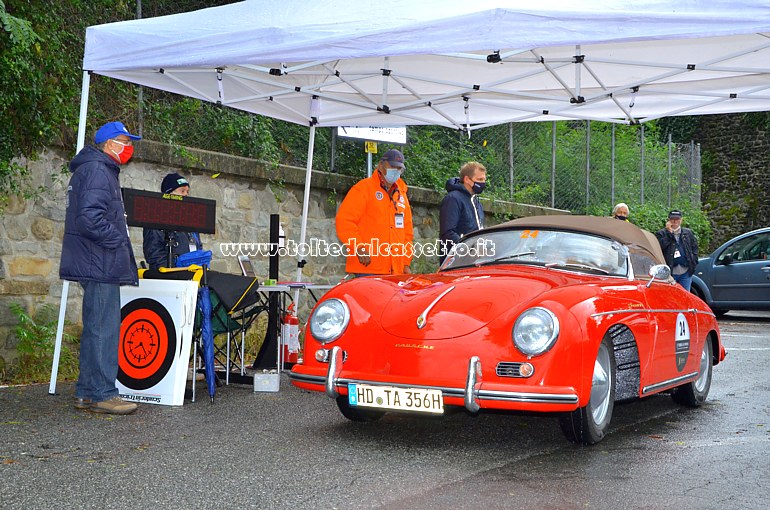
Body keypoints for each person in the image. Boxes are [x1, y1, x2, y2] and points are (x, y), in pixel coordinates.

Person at [59, 121, 140, 415]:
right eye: (123, 140)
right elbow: (89, 218)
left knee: (97, 327)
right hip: (100, 260)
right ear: (108, 143)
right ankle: (103, 393)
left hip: (95, 259)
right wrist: (117, 239)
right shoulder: (97, 170)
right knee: (105, 329)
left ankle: (87, 392)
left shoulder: (95, 168)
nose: (128, 146)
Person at [336, 149, 413, 276]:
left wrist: (405, 263)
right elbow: (345, 221)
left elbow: (407, 233)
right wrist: (359, 247)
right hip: (368, 268)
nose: (396, 171)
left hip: (396, 270)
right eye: (392, 166)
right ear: (381, 165)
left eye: (399, 168)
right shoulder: (363, 189)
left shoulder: (402, 195)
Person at [142, 173, 203, 269]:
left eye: (187, 192)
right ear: (169, 194)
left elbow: (198, 247)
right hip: (169, 278)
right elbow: (154, 253)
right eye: (182, 191)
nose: (186, 195)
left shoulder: (190, 220)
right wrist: (174, 271)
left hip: (192, 276)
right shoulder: (155, 219)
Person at [439, 161, 486, 263]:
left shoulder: (476, 201)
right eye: (479, 179)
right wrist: (469, 249)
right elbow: (448, 232)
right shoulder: (453, 199)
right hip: (457, 261)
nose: (483, 183)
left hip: (475, 260)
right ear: (467, 179)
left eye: (484, 179)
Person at [655, 209, 699, 291]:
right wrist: (669, 233)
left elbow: (694, 248)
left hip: (686, 273)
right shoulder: (661, 234)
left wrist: (694, 263)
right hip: (670, 274)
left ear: (681, 220)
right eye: (672, 219)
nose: (675, 221)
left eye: (677, 219)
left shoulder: (688, 233)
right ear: (668, 220)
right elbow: (660, 247)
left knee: (685, 297)